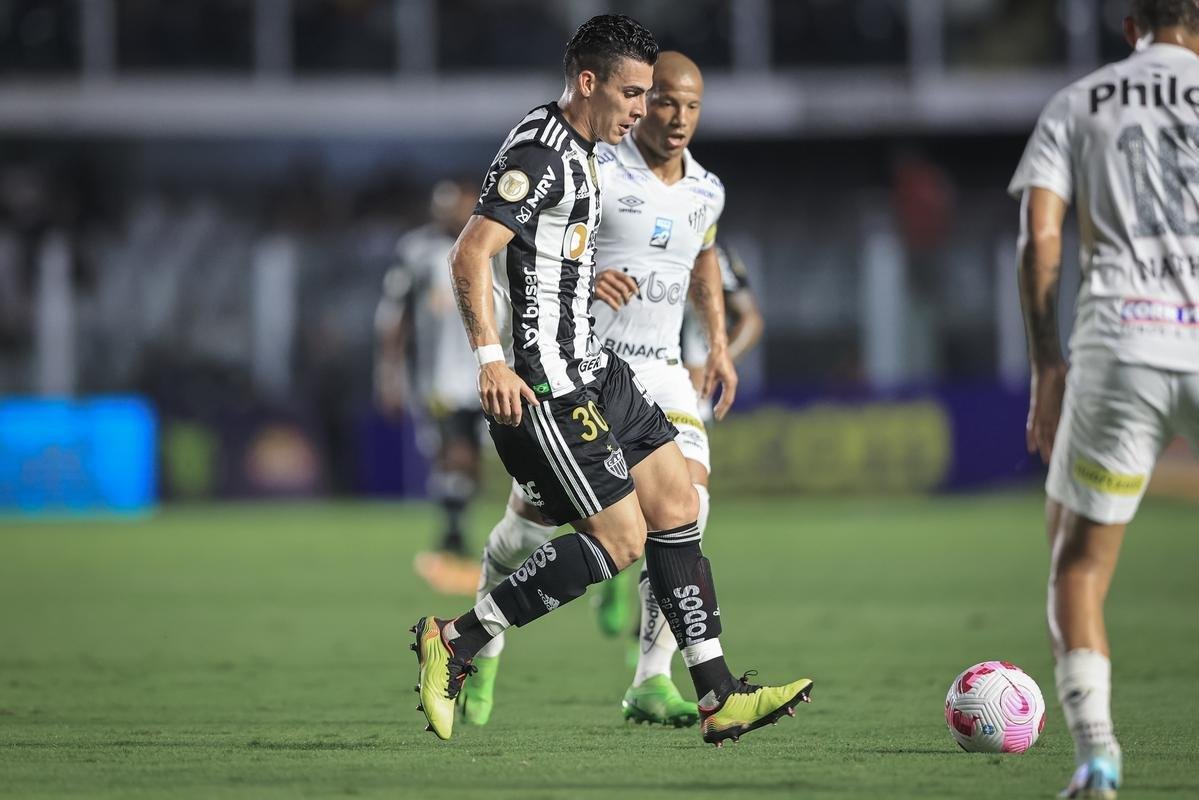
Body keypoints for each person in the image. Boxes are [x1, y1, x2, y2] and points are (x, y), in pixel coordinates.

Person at [410, 14, 812, 745]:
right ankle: (459, 640)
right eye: (633, 93)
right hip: (548, 387)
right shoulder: (543, 153)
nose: (641, 107)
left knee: (679, 504)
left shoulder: (591, 150)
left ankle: (719, 694)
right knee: (620, 543)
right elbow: (470, 254)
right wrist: (489, 359)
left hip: (602, 369)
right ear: (587, 83)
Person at [459, 51, 747, 729]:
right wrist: (496, 352)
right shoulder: (589, 162)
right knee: (527, 535)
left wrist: (719, 344)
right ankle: (480, 637)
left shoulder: (707, 190)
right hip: (577, 369)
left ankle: (655, 680)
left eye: (687, 105)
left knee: (686, 508)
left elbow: (705, 261)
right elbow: (506, 254)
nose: (669, 116)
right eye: (655, 99)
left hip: (661, 372)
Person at [1010, 3, 1199, 797]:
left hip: (1121, 341)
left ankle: (1097, 759)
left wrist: (1047, 366)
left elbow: (1039, 238)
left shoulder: (1079, 101)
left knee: (1078, 566)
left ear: (1130, 27)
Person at [374, 178, 483, 595]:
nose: (452, 213)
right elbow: (394, 317)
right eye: (446, 206)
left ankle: (455, 528)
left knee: (471, 459)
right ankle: (452, 537)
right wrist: (389, 375)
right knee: (451, 453)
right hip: (437, 377)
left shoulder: (493, 241)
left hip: (486, 371)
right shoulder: (416, 250)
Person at [681, 241, 764, 411]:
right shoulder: (631, 241)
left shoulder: (711, 250)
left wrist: (714, 364)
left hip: (688, 387)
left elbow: (750, 320)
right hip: (630, 372)